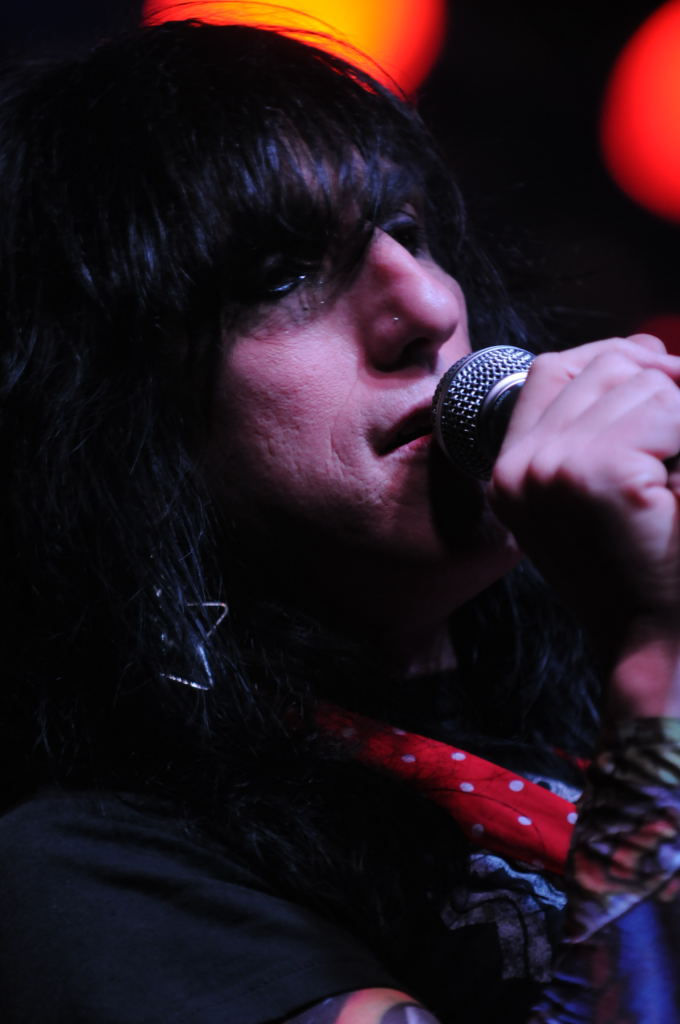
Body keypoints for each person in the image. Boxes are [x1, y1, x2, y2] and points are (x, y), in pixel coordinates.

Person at [1, 17, 680, 1024]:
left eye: (408, 230)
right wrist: (654, 665)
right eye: (279, 276)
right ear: (123, 421)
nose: (426, 305)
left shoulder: (577, 717)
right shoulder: (92, 875)